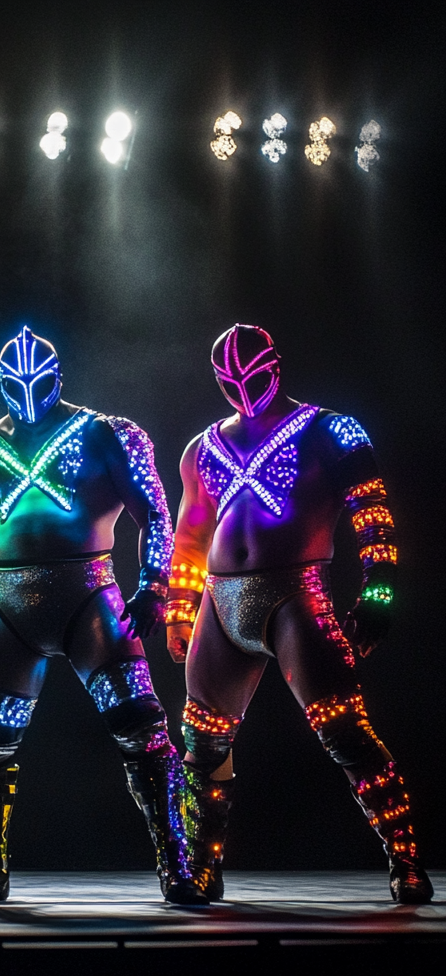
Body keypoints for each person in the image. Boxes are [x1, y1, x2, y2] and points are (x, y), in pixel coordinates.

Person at [0, 326, 205, 904]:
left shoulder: (109, 434)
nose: (29, 396)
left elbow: (155, 514)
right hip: (9, 605)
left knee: (144, 730)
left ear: (58, 378)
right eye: (18, 386)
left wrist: (155, 584)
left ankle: (178, 865)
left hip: (90, 597)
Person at [165, 323, 433, 903]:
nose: (241, 388)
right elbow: (190, 534)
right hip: (221, 597)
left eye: (251, 376)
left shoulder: (330, 430)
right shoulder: (201, 448)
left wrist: (378, 589)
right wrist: (180, 610)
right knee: (204, 740)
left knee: (343, 729)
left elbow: (373, 513)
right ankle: (203, 868)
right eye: (229, 381)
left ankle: (406, 857)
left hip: (296, 594)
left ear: (275, 366)